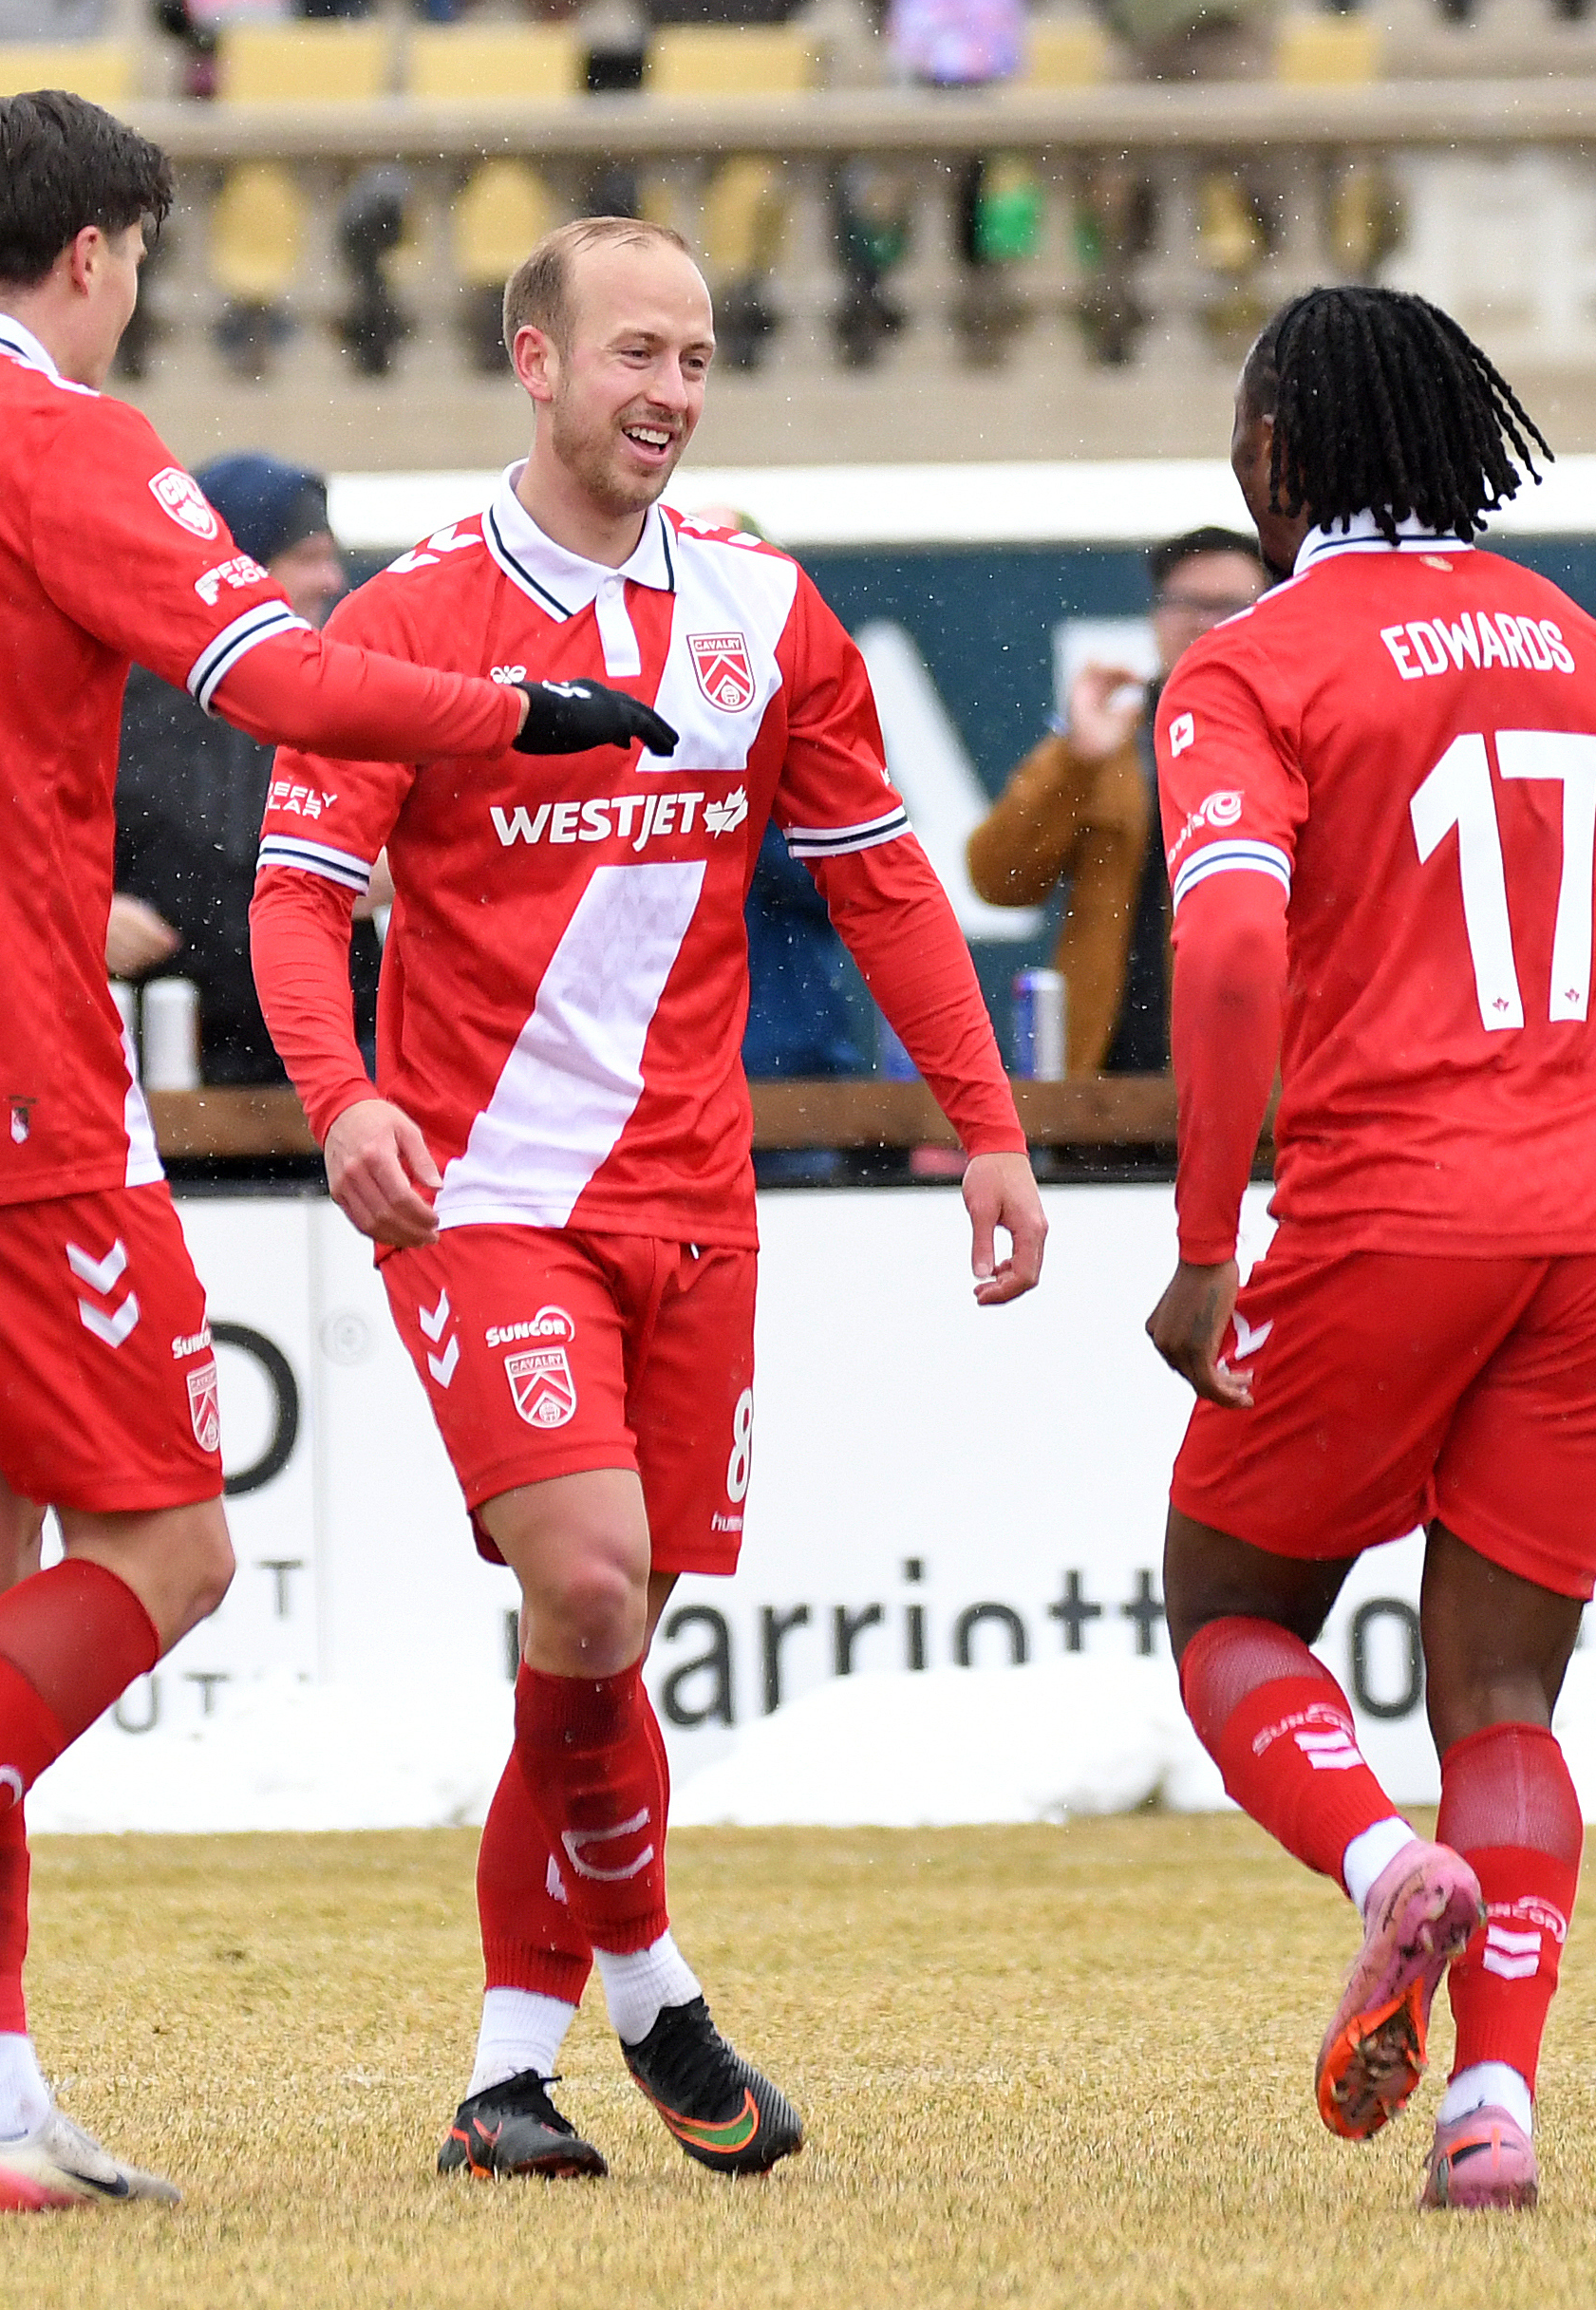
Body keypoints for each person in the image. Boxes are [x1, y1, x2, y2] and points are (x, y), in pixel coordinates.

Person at [0, 92, 675, 2213]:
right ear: (95, 252)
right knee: (168, 1549)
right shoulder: (61, 441)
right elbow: (266, 672)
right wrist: (523, 711)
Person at [250, 216, 1047, 2183]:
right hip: (483, 1196)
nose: (667, 395)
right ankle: (655, 1990)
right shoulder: (415, 616)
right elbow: (286, 896)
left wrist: (988, 1126)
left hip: (697, 1206)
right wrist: (341, 1098)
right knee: (588, 1579)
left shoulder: (766, 617)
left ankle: (503, 2076)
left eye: (693, 360)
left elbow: (878, 881)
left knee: (590, 1639)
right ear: (529, 361)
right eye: (632, 355)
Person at [1142, 286, 1596, 2214]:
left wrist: (1198, 1236)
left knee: (1227, 1611)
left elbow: (1228, 948)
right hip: (1594, 1218)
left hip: (1387, 1203)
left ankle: (1374, 1862)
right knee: (1500, 1692)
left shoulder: (1246, 664)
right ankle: (1493, 2103)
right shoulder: (1580, 648)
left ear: (1270, 455)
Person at [108, 454, 371, 1094]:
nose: (332, 579)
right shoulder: (119, 699)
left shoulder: (344, 690)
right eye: (307, 557)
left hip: (333, 1070)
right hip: (161, 1073)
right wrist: (89, 913)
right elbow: (16, 848)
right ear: (242, 569)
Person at [967, 525, 1268, 1081]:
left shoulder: (1294, 741)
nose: (1204, 623)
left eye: (1230, 606)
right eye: (1185, 604)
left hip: (1248, 1094)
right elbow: (997, 878)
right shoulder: (1109, 744)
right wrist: (1076, 757)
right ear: (1155, 615)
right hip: (1100, 1097)